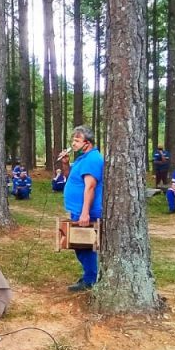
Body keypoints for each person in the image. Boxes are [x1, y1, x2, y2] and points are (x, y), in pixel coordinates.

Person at [60, 126, 104, 293]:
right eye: (74, 140)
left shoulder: (93, 159)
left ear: (88, 143)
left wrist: (85, 212)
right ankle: (89, 275)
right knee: (79, 244)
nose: (73, 143)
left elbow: (90, 187)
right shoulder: (82, 158)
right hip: (77, 209)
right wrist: (65, 164)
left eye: (77, 140)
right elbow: (70, 177)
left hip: (86, 211)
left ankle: (91, 279)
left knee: (84, 244)